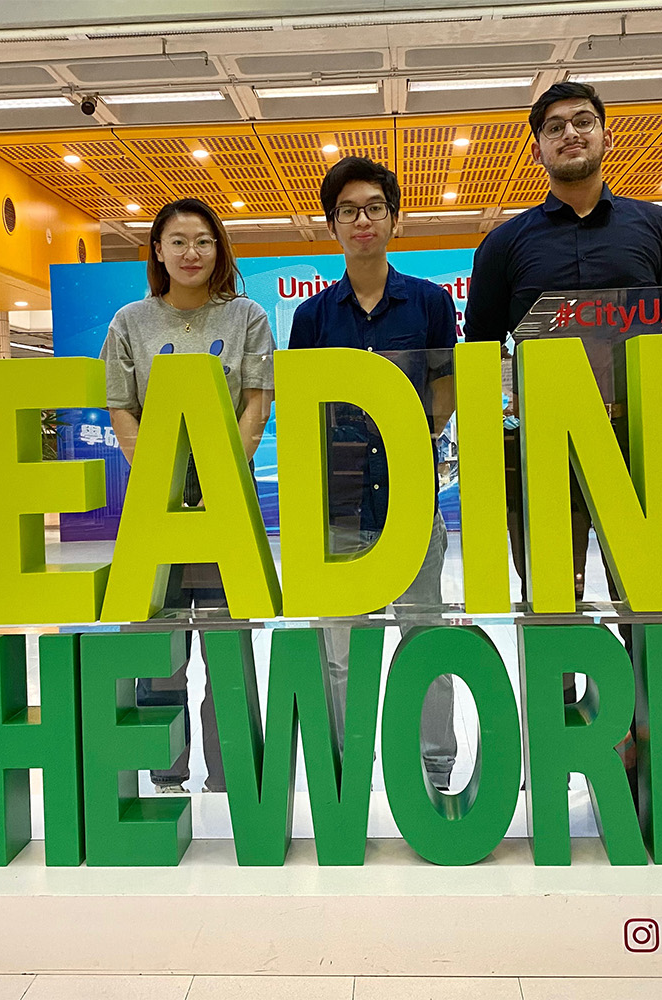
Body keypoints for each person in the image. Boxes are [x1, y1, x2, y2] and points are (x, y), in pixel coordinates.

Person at [465, 81, 662, 704]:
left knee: (646, 597)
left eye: (582, 121)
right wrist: (520, 403)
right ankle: (561, 732)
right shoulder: (504, 244)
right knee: (552, 600)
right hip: (543, 452)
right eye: (554, 127)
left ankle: (653, 730)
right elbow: (484, 349)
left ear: (606, 135)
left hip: (634, 444)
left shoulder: (658, 227)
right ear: (538, 149)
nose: (570, 133)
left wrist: (626, 393)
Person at [288, 156, 459, 791]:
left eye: (374, 208)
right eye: (349, 211)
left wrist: (409, 437)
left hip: (411, 504)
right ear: (332, 224)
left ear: (394, 219)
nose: (363, 220)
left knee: (426, 641)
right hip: (340, 508)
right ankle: (345, 769)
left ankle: (435, 768)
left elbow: (445, 389)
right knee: (340, 651)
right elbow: (305, 410)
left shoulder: (431, 303)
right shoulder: (313, 318)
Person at [100, 197, 274, 794]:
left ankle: (231, 775)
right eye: (177, 241)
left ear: (218, 249)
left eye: (202, 240)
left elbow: (256, 405)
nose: (191, 252)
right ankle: (166, 769)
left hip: (228, 504)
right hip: (158, 507)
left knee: (230, 643)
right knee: (158, 641)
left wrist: (222, 480)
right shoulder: (130, 322)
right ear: (157, 250)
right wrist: (161, 480)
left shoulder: (247, 317)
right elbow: (122, 408)